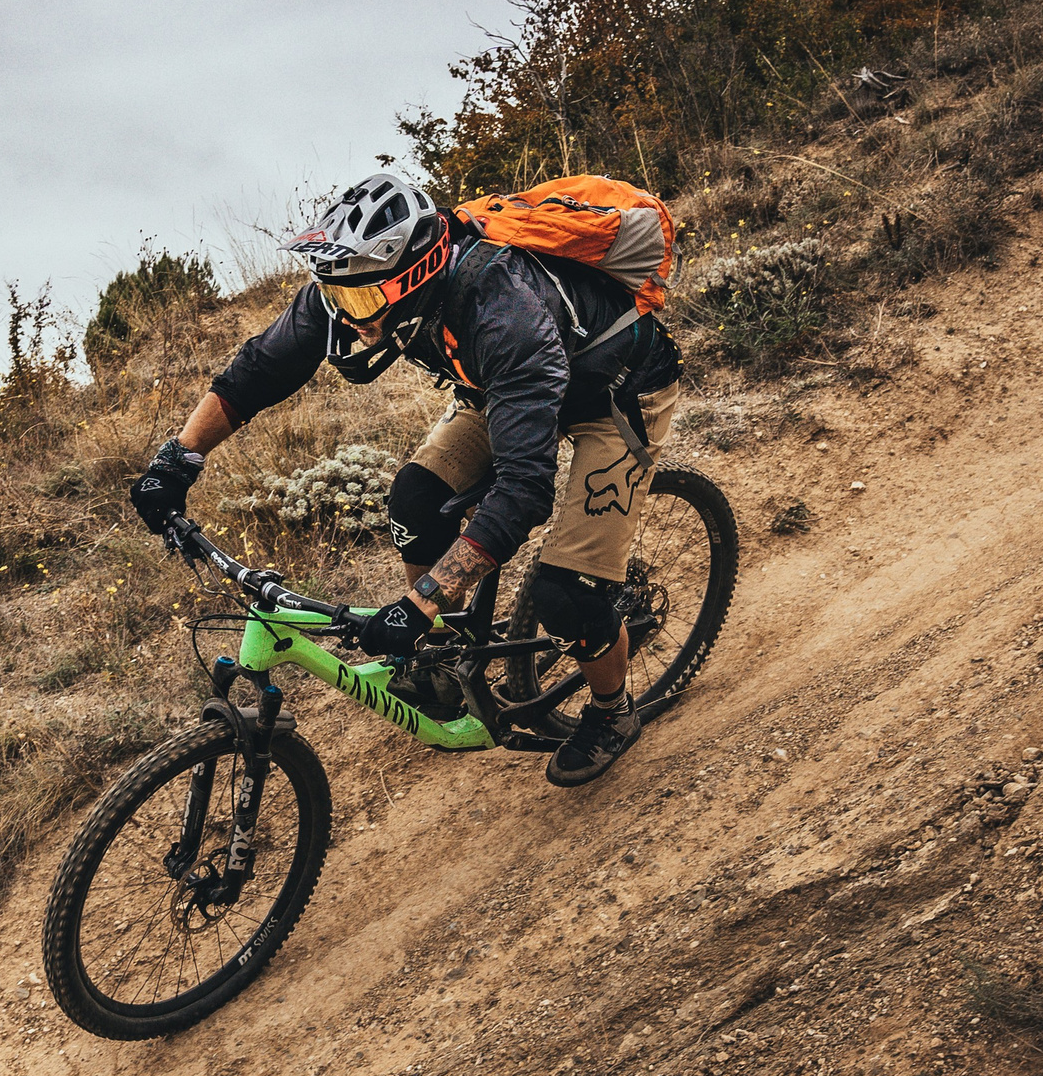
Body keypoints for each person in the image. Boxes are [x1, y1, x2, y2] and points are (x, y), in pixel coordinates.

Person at [129, 170, 681, 787]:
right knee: (416, 501)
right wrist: (180, 458)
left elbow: (525, 491)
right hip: (500, 389)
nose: (347, 317)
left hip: (614, 394)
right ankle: (445, 659)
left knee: (565, 594)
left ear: (412, 277)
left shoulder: (501, 309)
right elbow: (260, 368)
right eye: (336, 297)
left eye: (361, 303)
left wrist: (418, 604)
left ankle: (613, 711)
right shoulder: (353, 285)